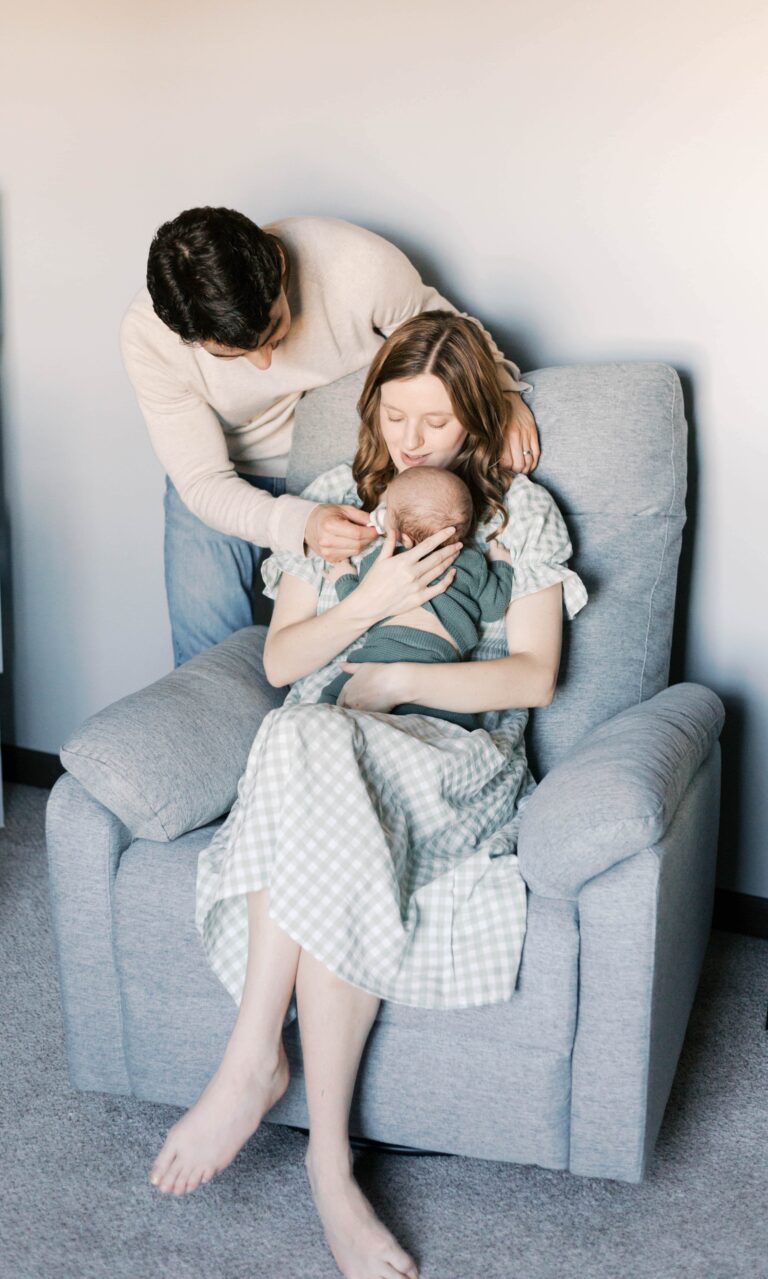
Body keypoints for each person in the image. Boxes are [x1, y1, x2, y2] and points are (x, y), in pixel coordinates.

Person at [148, 312, 587, 1279]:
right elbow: (280, 660)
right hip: (323, 731)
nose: (412, 440)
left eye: (437, 421)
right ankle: (327, 1158)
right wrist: (365, 607)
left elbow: (531, 677)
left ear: (478, 416)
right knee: (302, 733)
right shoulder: (336, 507)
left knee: (309, 744)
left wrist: (397, 681)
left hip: (445, 751)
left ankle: (253, 1063)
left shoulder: (517, 516)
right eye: (395, 416)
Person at [120, 208, 541, 666]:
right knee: (203, 663)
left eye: (273, 333)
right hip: (222, 480)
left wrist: (503, 390)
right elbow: (202, 481)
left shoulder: (357, 263)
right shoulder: (148, 336)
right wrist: (301, 523)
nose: (264, 364)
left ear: (279, 264)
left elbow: (446, 334)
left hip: (336, 465)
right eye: (234, 356)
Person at [318, 466, 514, 729]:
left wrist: (344, 576)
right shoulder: (473, 562)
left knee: (328, 708)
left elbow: (358, 599)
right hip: (435, 675)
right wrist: (501, 565)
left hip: (374, 661)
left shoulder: (381, 561)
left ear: (405, 538)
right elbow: (494, 608)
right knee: (449, 726)